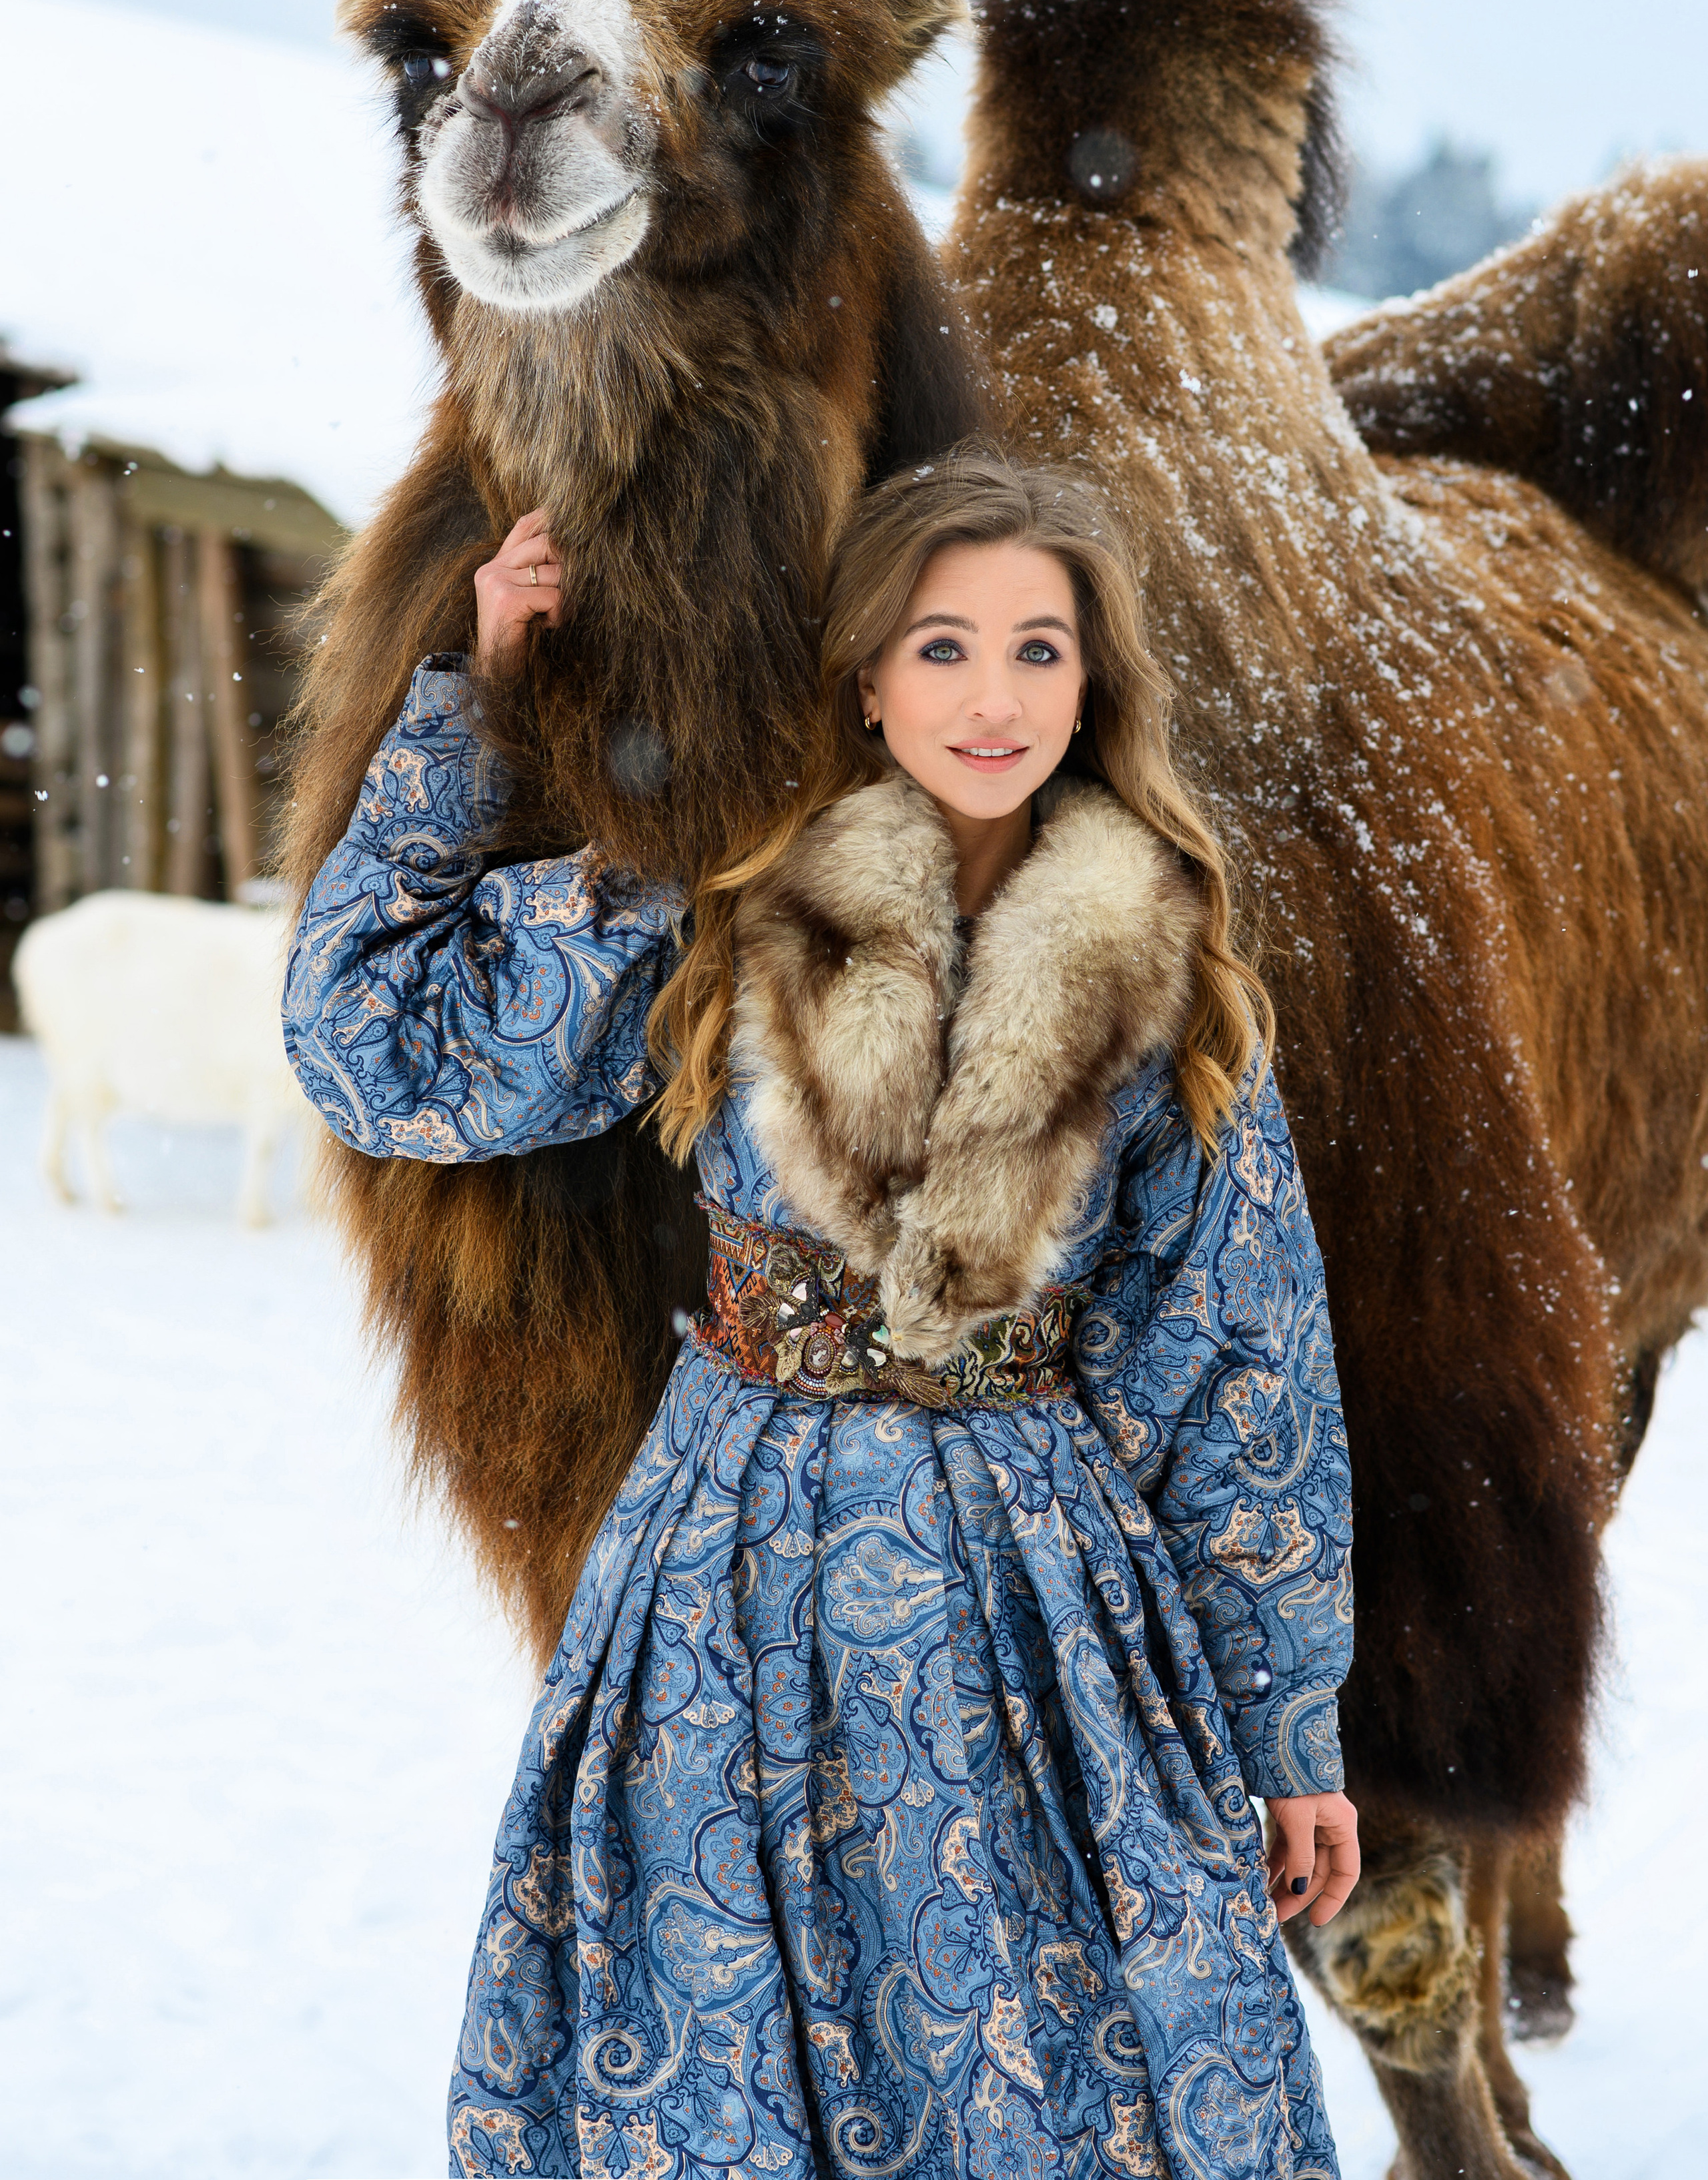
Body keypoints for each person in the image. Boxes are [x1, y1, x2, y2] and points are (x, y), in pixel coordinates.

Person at [284, 449, 1357, 2180]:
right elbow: (379, 1049)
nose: (991, 696)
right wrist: (478, 692)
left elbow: (1242, 1362)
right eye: (941, 647)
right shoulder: (719, 908)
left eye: (1037, 648)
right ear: (864, 675)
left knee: (1055, 2066)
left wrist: (1288, 1730)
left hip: (1036, 1595)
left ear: (1094, 683)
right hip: (730, 1571)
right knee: (720, 2048)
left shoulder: (1168, 966)